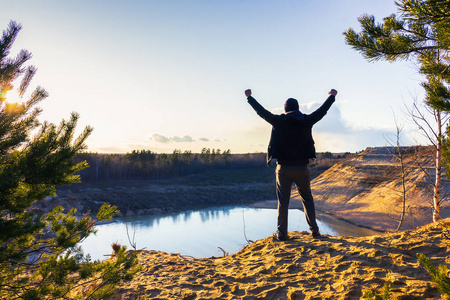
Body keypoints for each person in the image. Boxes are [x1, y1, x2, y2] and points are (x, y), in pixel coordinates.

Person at [244, 88, 337, 240]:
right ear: (298, 108)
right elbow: (322, 111)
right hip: (302, 168)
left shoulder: (278, 121)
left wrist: (249, 97)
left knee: (283, 201)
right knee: (307, 198)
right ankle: (314, 230)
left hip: (283, 169)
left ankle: (282, 234)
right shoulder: (306, 120)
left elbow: (261, 111)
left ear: (285, 109)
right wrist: (332, 96)